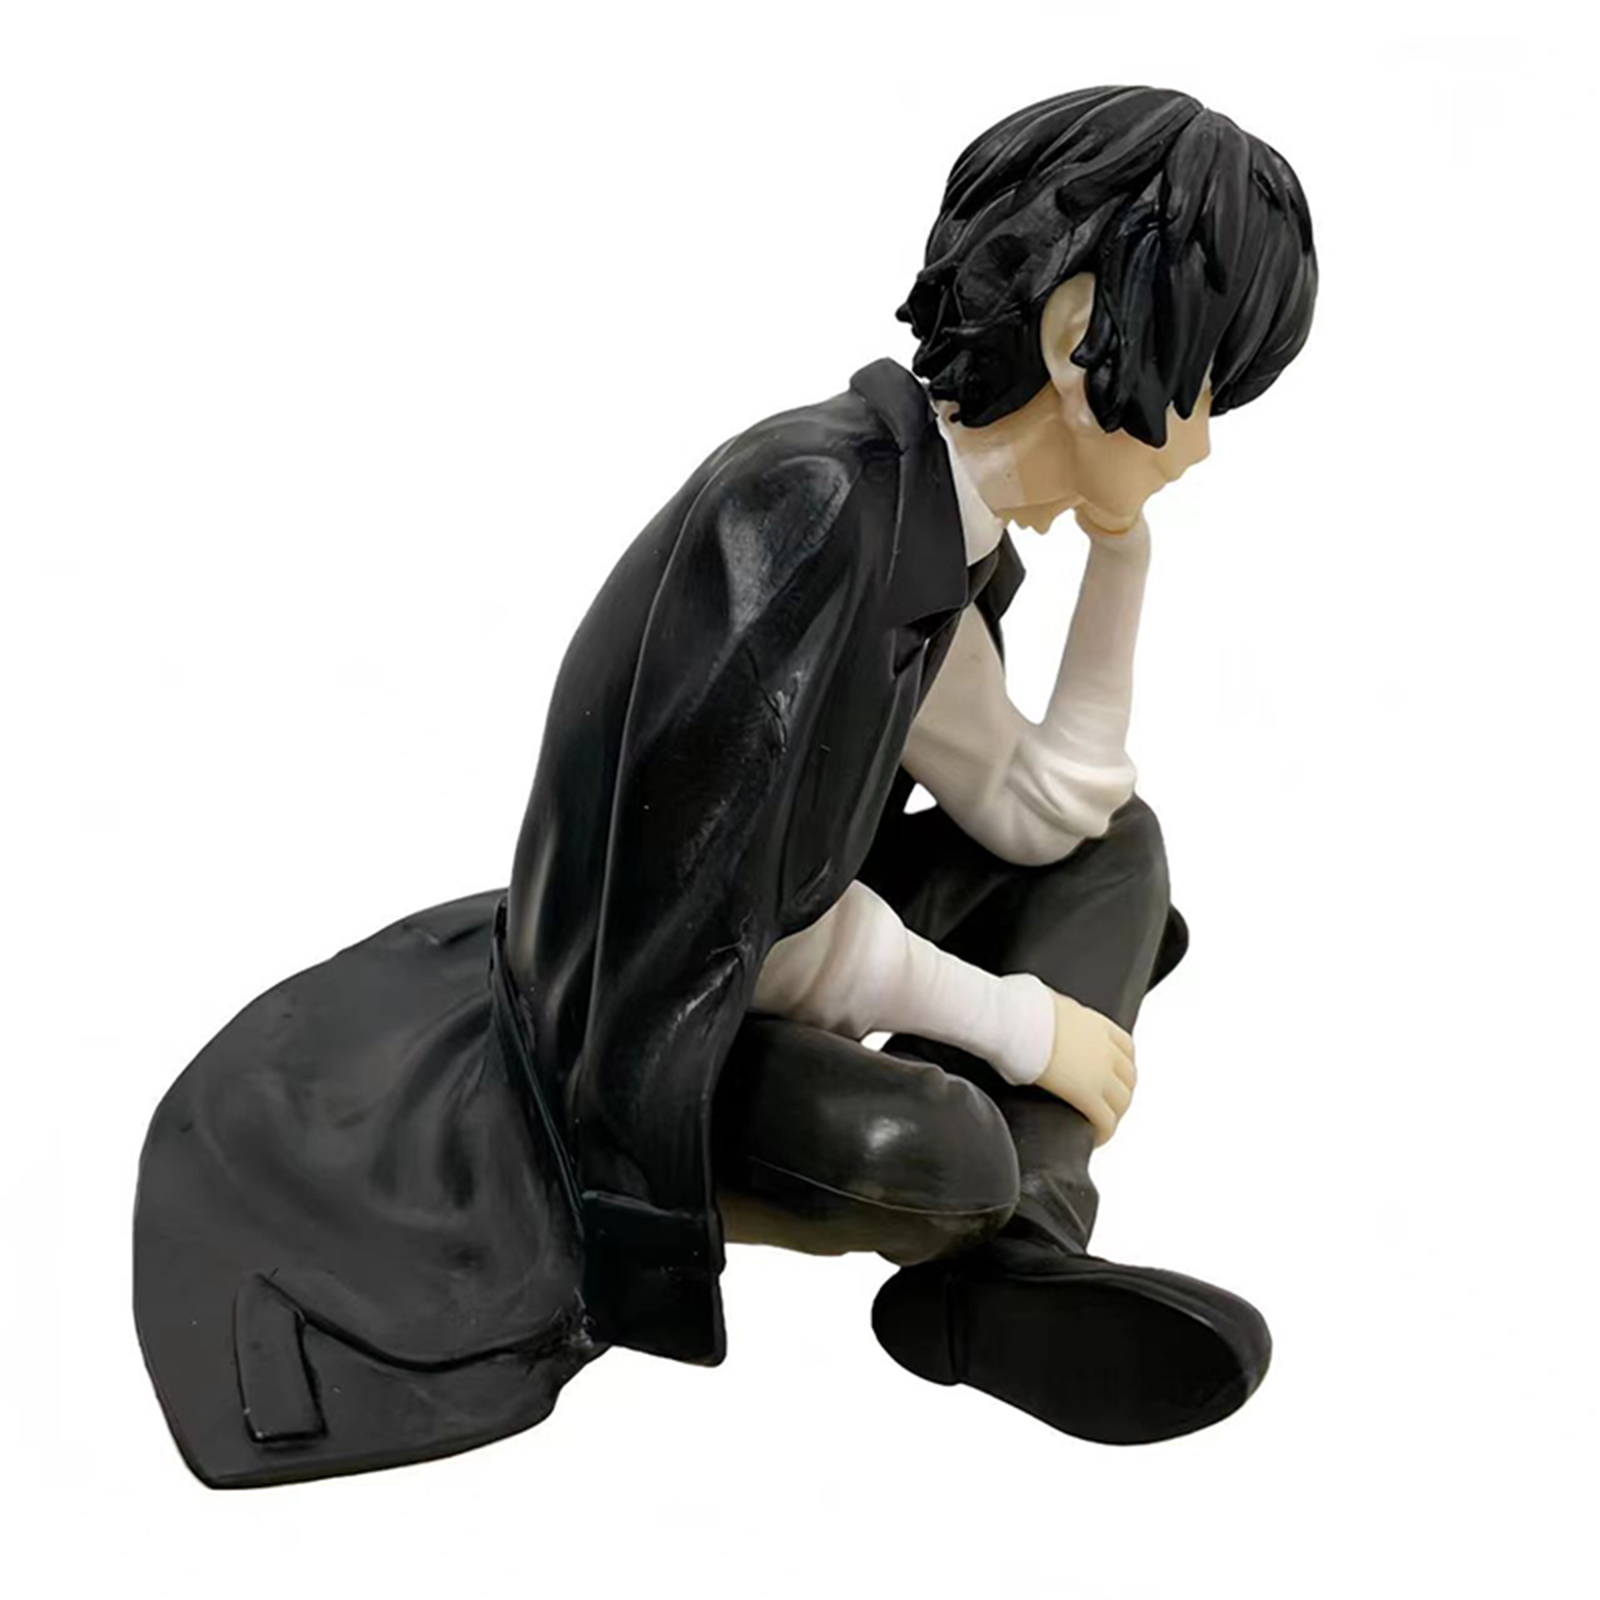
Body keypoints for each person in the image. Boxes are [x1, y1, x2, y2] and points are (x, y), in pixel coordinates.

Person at [134, 85, 1316, 1486]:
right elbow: (747, 929)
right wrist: (1018, 1026)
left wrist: (1125, 556)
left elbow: (1040, 809)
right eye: (1200, 390)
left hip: (789, 950)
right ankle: (997, 1221)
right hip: (644, 1035)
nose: (1200, 445)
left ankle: (1011, 1269)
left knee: (1116, 854)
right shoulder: (807, 513)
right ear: (1078, 339)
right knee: (933, 1152)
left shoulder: (939, 526)